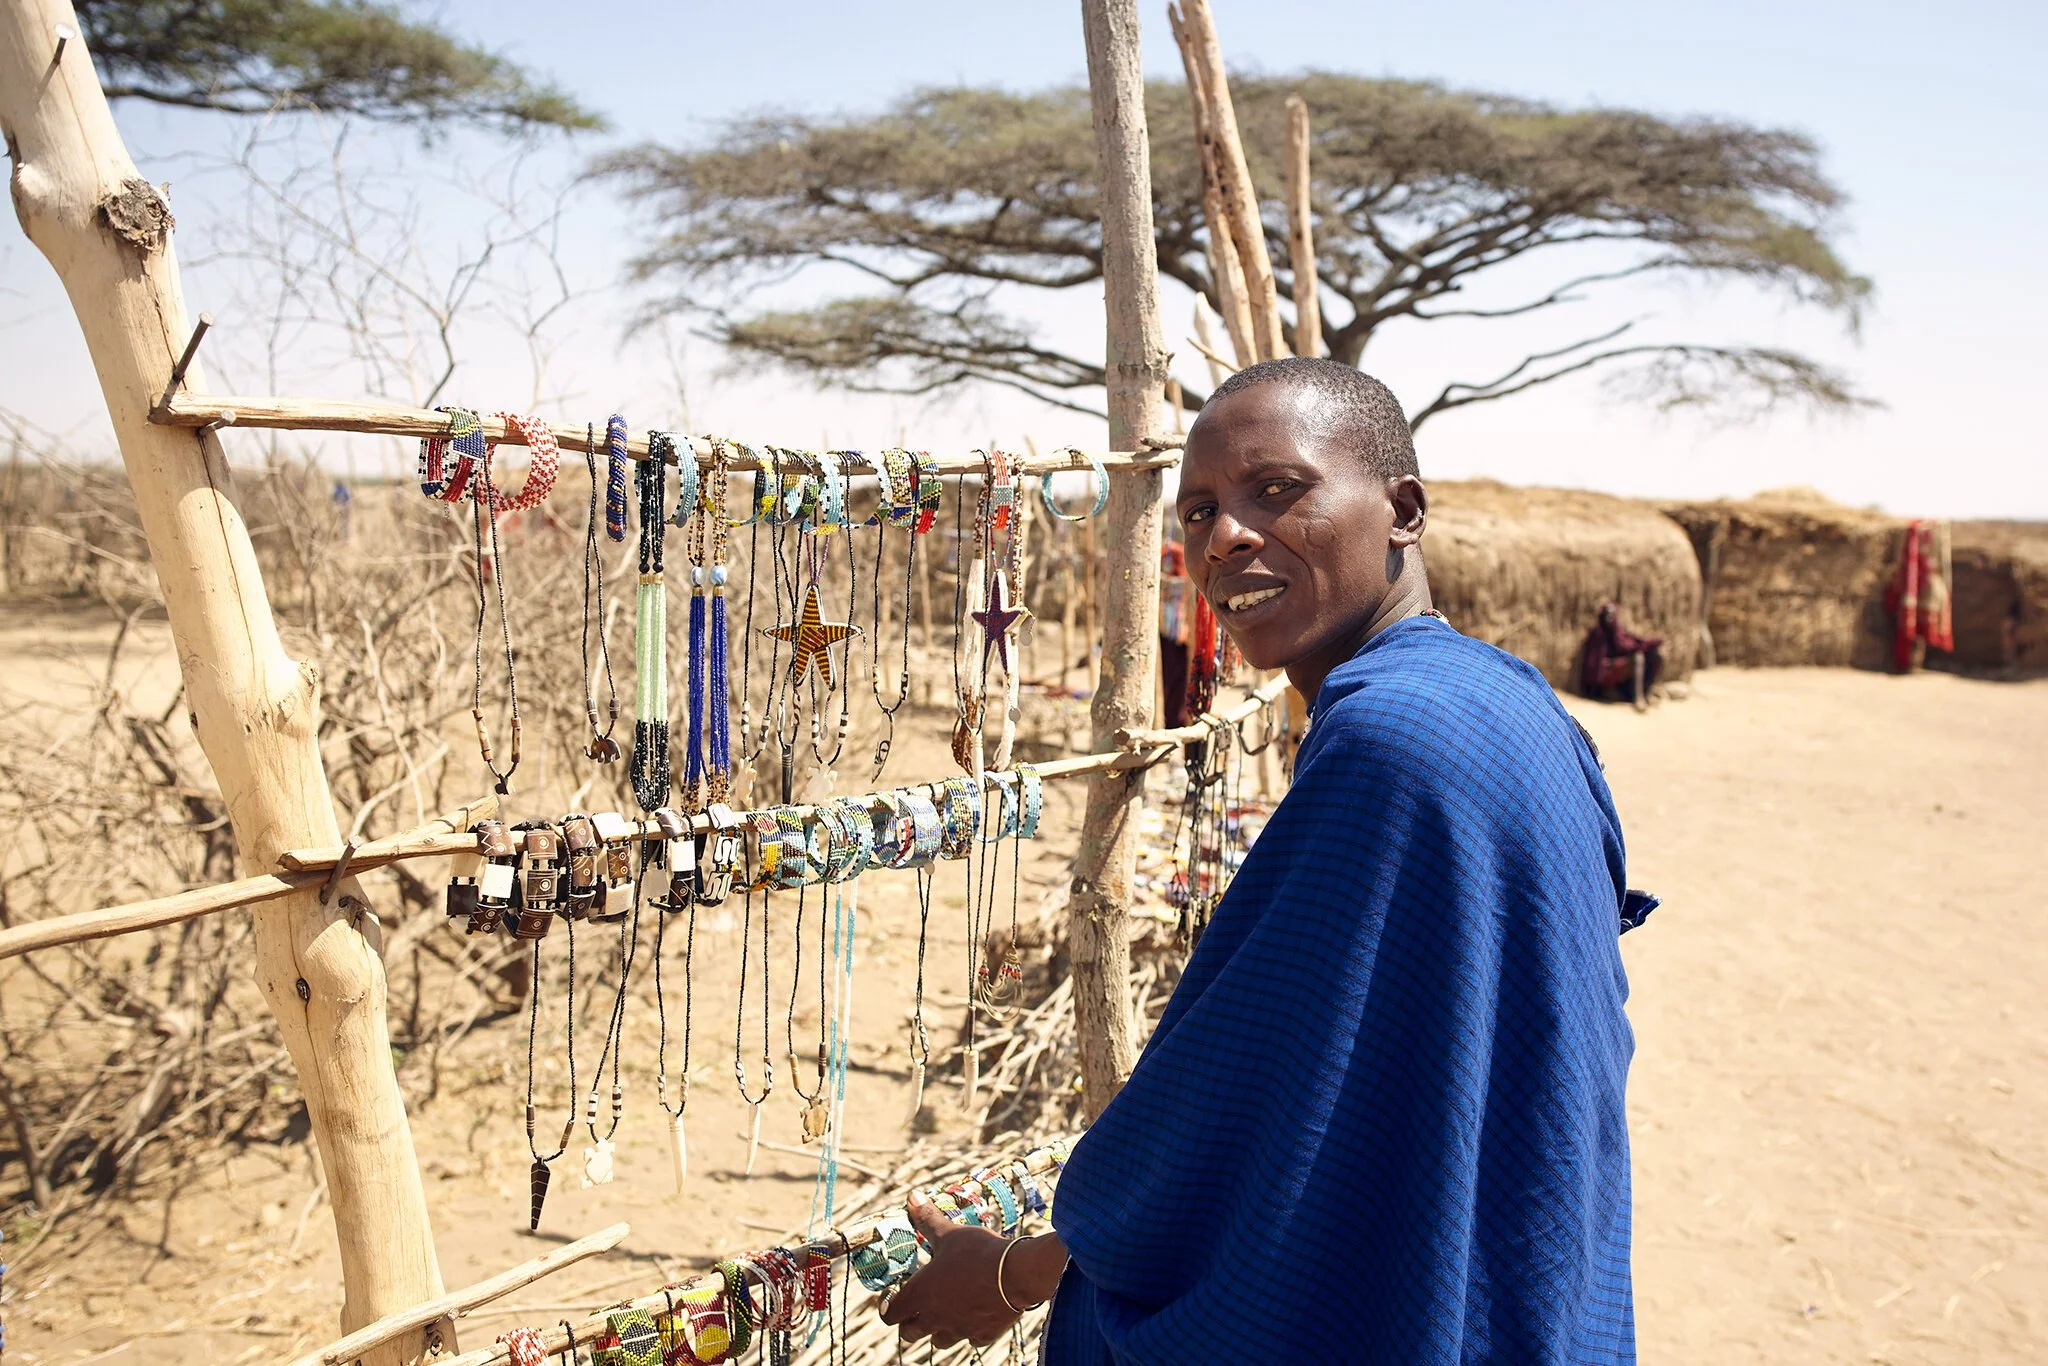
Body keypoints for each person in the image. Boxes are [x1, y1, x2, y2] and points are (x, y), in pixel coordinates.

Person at [881, 357, 1646, 1362]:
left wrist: (1012, 1272)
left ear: (1402, 509)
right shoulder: (1501, 700)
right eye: (1196, 512)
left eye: (1275, 491)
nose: (1223, 536)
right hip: (1531, 1297)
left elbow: (1248, 1128)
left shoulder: (1394, 745)